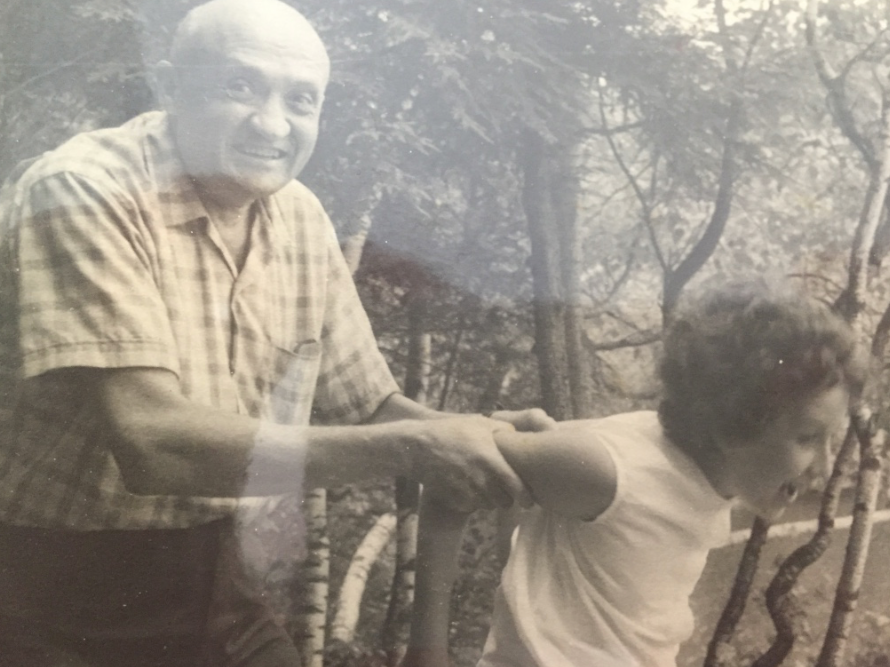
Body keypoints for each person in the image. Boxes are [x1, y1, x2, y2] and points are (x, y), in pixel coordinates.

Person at [0, 1, 553, 665]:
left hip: (218, 577)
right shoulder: (82, 190)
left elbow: (372, 409)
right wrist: (417, 447)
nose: (272, 123)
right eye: (240, 86)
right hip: (47, 595)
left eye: (300, 100)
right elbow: (151, 442)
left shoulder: (299, 216)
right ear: (172, 84)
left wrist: (485, 438)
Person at [402, 279, 867, 667]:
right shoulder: (611, 472)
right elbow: (448, 468)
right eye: (808, 438)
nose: (826, 468)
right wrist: (427, 653)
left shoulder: (711, 480)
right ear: (736, 421)